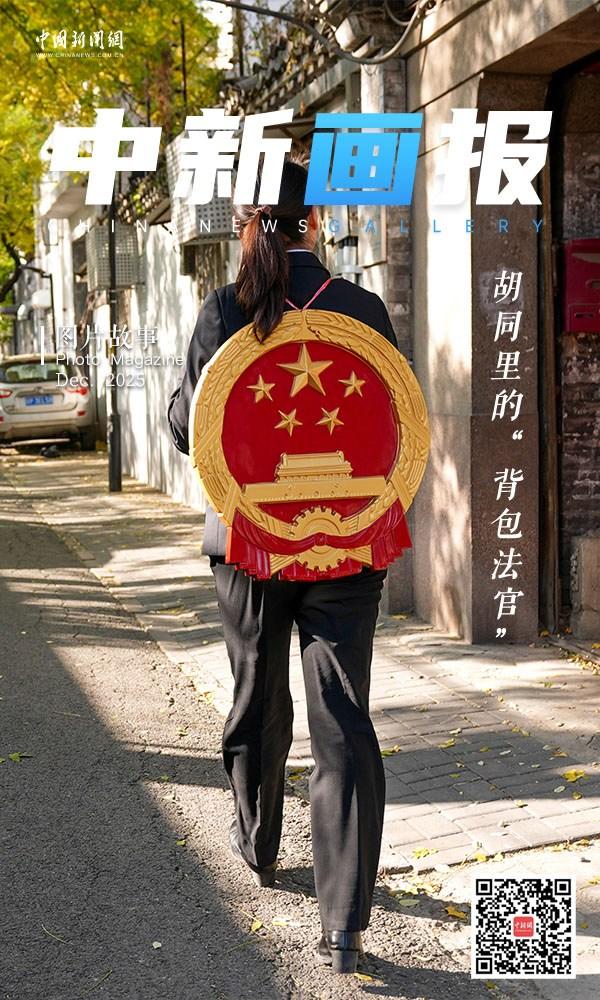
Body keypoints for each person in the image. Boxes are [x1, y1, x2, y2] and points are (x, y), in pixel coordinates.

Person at [167, 159, 400, 975]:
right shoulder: (360, 309)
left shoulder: (224, 310)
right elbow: (396, 421)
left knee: (257, 695)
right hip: (346, 541)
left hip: (250, 542)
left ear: (246, 228)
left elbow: (185, 428)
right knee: (343, 718)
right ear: (317, 222)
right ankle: (345, 925)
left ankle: (260, 840)